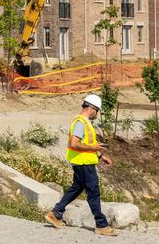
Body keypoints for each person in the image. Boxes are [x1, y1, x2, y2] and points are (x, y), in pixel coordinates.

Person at [45, 94, 115, 236]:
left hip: (83, 161)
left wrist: (101, 156)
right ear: (91, 109)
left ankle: (55, 213)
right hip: (83, 163)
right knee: (93, 192)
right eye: (97, 111)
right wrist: (94, 149)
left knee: (76, 189)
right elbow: (75, 143)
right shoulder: (80, 123)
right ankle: (101, 225)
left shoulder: (84, 122)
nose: (97, 114)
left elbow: (87, 144)